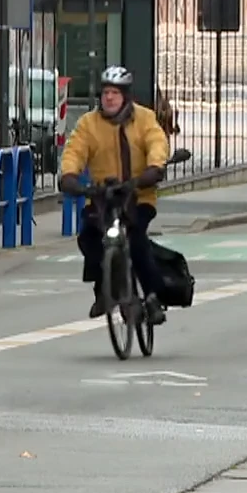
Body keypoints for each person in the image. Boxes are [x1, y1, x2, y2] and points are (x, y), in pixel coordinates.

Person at [58, 66, 171, 326]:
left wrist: (154, 169)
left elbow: (157, 143)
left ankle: (153, 297)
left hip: (138, 195)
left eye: (115, 93)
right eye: (106, 92)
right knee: (89, 237)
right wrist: (70, 177)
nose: (109, 98)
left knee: (137, 239)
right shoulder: (89, 123)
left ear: (126, 96)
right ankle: (103, 289)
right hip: (102, 197)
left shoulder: (144, 118)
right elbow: (75, 151)